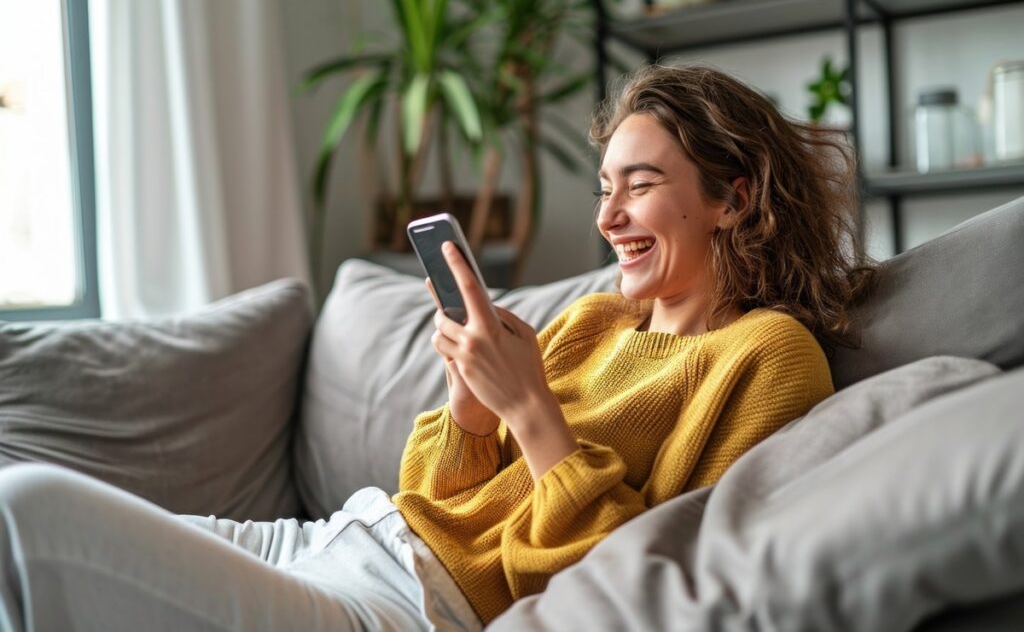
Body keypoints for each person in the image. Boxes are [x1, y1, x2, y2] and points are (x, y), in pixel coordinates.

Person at [0, 63, 876, 631]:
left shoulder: (768, 356)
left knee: (33, 510)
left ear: (734, 197)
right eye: (605, 188)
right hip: (340, 538)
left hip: (408, 606)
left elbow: (650, 584)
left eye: (639, 187)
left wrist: (530, 410)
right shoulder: (594, 321)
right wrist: (469, 396)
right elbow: (428, 495)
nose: (607, 219)